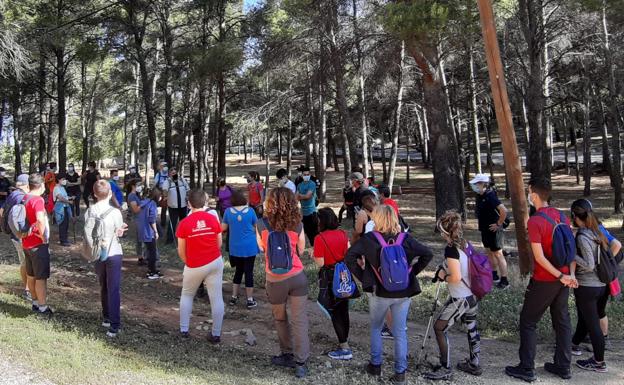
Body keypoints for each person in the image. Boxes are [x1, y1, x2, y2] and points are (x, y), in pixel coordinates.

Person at [345, 205, 433, 385]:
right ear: (394, 217)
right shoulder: (405, 238)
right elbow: (428, 253)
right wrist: (412, 272)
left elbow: (349, 257)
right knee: (399, 332)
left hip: (379, 292)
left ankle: (375, 365)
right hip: (404, 291)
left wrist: (364, 277)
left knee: (376, 328)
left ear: (376, 219)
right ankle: (400, 372)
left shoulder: (369, 239)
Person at [505, 177, 577, 382]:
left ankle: (526, 368)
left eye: (529, 192)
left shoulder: (535, 221)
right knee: (562, 321)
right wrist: (568, 275)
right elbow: (571, 250)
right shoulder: (562, 216)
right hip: (563, 279)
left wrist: (561, 276)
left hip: (546, 279)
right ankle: (564, 366)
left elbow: (539, 258)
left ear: (533, 195)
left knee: (528, 321)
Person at [256, 188, 310, 378]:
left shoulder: (261, 224)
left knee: (280, 318)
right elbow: (301, 250)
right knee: (299, 319)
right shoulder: (297, 224)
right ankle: (301, 362)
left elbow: (262, 248)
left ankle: (286, 354)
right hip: (297, 277)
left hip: (275, 279)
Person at [425, 211, 482, 380]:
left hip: (461, 298)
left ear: (445, 231)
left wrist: (443, 276)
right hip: (472, 296)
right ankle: (474, 363)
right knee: (471, 328)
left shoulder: (451, 249)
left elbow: (456, 277)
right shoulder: (464, 244)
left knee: (439, 328)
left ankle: (445, 367)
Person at [176, 189, 224, 343]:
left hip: (195, 264)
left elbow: (181, 250)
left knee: (187, 294)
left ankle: (184, 330)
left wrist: (188, 262)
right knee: (216, 298)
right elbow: (219, 243)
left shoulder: (184, 223)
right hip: (215, 262)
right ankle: (216, 334)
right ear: (205, 202)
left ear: (189, 204)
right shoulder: (213, 219)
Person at [569, 199, 610, 372]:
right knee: (587, 319)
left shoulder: (583, 236)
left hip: (588, 286)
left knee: (593, 325)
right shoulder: (597, 231)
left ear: (575, 216)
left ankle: (599, 362)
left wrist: (571, 256)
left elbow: (589, 264)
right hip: (601, 285)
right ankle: (574, 344)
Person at [88, 180, 128, 337]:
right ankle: (114, 325)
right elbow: (119, 231)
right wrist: (120, 230)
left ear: (94, 194)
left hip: (97, 253)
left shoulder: (90, 211)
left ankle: (106, 317)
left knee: (103, 285)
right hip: (113, 252)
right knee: (113, 289)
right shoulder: (115, 212)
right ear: (110, 193)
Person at [313, 208, 353, 360]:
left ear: (322, 222)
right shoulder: (343, 234)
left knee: (335, 312)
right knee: (344, 310)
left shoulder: (320, 238)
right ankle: (345, 341)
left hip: (330, 277)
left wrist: (314, 255)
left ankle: (344, 347)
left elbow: (320, 263)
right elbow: (348, 253)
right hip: (344, 275)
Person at [470, 174, 509, 290]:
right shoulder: (479, 196)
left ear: (483, 184)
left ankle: (505, 280)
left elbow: (503, 210)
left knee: (498, 254)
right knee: (489, 252)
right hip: (485, 230)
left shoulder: (490, 196)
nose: (475, 186)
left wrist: (498, 224)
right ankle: (494, 275)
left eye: (477, 184)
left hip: (494, 231)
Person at [22, 174, 53, 318]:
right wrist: (43, 237)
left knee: (31, 274)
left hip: (26, 242)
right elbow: (40, 219)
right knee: (41, 277)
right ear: (41, 186)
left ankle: (34, 302)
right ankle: (42, 307)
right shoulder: (38, 200)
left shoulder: (24, 198)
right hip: (37, 243)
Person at [222, 189, 259, 308]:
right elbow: (256, 226)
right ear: (244, 199)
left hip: (235, 247)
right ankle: (249, 299)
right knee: (249, 272)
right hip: (250, 247)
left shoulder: (228, 212)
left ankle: (233, 297)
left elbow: (223, 228)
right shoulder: (250, 211)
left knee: (238, 271)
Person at [0, 174, 30, 299]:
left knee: (24, 262)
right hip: (21, 235)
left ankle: (28, 288)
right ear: (26, 185)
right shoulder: (22, 198)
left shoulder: (12, 195)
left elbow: (2, 211)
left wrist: (5, 227)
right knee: (27, 262)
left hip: (14, 234)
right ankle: (28, 290)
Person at [137, 188, 162, 279]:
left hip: (142, 230)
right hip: (148, 231)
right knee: (153, 252)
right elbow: (152, 219)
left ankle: (152, 269)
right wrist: (155, 231)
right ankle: (152, 271)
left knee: (149, 250)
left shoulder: (145, 202)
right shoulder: (152, 204)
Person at [162, 168, 190, 244]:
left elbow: (188, 189)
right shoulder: (167, 182)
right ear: (169, 174)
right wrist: (165, 195)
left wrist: (187, 196)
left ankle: (184, 237)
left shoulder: (182, 180)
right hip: (173, 206)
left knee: (184, 222)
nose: (174, 174)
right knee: (173, 223)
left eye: (175, 172)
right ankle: (169, 240)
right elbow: (164, 190)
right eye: (172, 173)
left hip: (183, 206)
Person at [296, 166, 318, 246]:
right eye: (305, 175)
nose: (306, 176)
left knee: (314, 232)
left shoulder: (312, 184)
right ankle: (313, 246)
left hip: (312, 212)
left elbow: (307, 196)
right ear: (302, 175)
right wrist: (302, 196)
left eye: (308, 174)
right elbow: (296, 197)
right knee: (307, 232)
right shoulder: (299, 185)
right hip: (303, 212)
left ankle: (317, 246)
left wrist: (300, 196)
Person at [126, 180, 145, 264]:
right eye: (139, 185)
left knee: (141, 240)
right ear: (133, 186)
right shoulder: (132, 196)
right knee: (139, 240)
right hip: (136, 220)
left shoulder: (136, 195)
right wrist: (144, 204)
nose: (140, 187)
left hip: (139, 220)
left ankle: (142, 257)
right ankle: (140, 258)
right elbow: (135, 209)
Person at [52, 173, 73, 246]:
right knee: (62, 224)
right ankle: (63, 240)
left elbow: (65, 196)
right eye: (63, 179)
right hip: (60, 208)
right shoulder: (56, 188)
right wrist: (68, 201)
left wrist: (70, 198)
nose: (64, 181)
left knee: (66, 224)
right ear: (59, 180)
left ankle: (65, 239)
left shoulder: (62, 187)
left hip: (65, 207)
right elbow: (60, 198)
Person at [154, 161, 169, 227]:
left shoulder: (170, 174)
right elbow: (155, 184)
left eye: (166, 165)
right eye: (163, 166)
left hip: (169, 192)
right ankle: (163, 223)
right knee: (163, 208)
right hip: (161, 192)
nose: (165, 167)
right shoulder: (158, 174)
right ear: (161, 167)